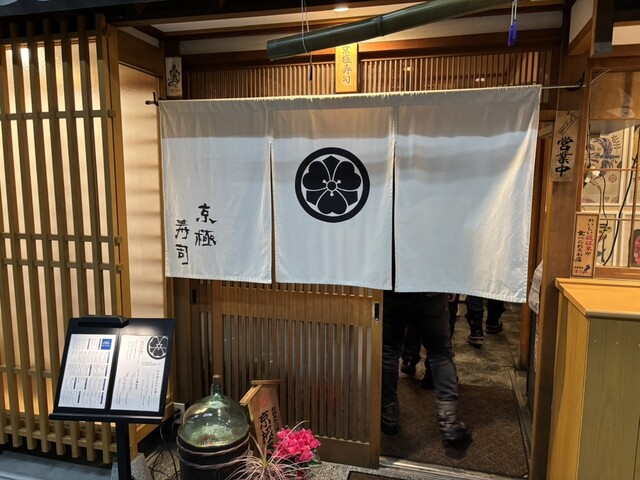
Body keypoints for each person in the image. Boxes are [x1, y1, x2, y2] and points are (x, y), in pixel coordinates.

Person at [381, 290, 471, 446]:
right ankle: (449, 419)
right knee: (440, 354)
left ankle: (389, 413)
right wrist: (450, 286)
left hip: (394, 289)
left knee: (389, 351)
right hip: (431, 290)